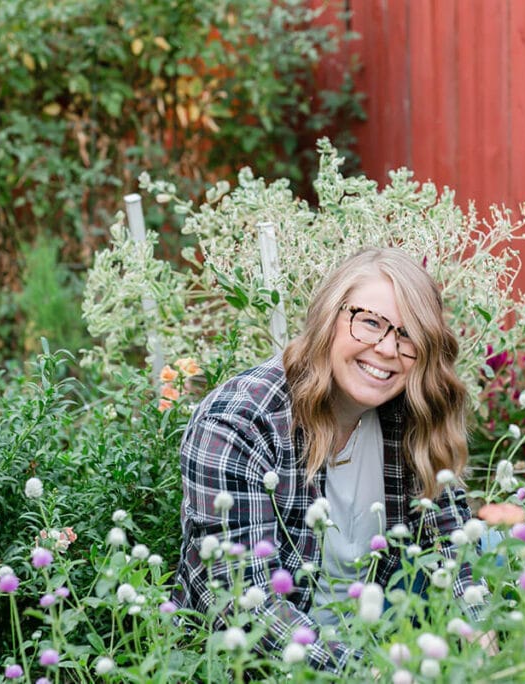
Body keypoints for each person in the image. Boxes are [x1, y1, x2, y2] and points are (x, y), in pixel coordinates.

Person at [173, 247, 488, 671]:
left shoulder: (407, 417)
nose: (387, 348)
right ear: (329, 317)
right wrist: (364, 676)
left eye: (408, 334)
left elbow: (450, 542)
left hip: (375, 641)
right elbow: (245, 603)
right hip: (262, 666)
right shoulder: (239, 424)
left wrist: (490, 652)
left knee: (494, 548)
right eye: (370, 322)